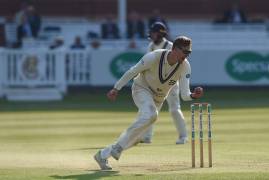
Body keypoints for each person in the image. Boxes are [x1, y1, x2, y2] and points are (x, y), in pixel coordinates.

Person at [94, 35, 204, 170]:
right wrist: (116, 88)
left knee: (137, 137)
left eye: (189, 52)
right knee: (152, 114)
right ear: (175, 49)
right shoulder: (154, 57)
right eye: (185, 52)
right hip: (141, 89)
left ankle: (102, 155)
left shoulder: (185, 66)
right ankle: (117, 148)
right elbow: (132, 71)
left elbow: (185, 95)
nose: (187, 55)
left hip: (158, 98)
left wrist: (194, 95)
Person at [139, 22, 188, 145]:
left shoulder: (171, 45)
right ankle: (147, 137)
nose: (151, 35)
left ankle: (183, 136)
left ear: (160, 34)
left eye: (154, 33)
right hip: (156, 84)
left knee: (174, 109)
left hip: (171, 83)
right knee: (151, 109)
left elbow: (181, 64)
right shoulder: (150, 46)